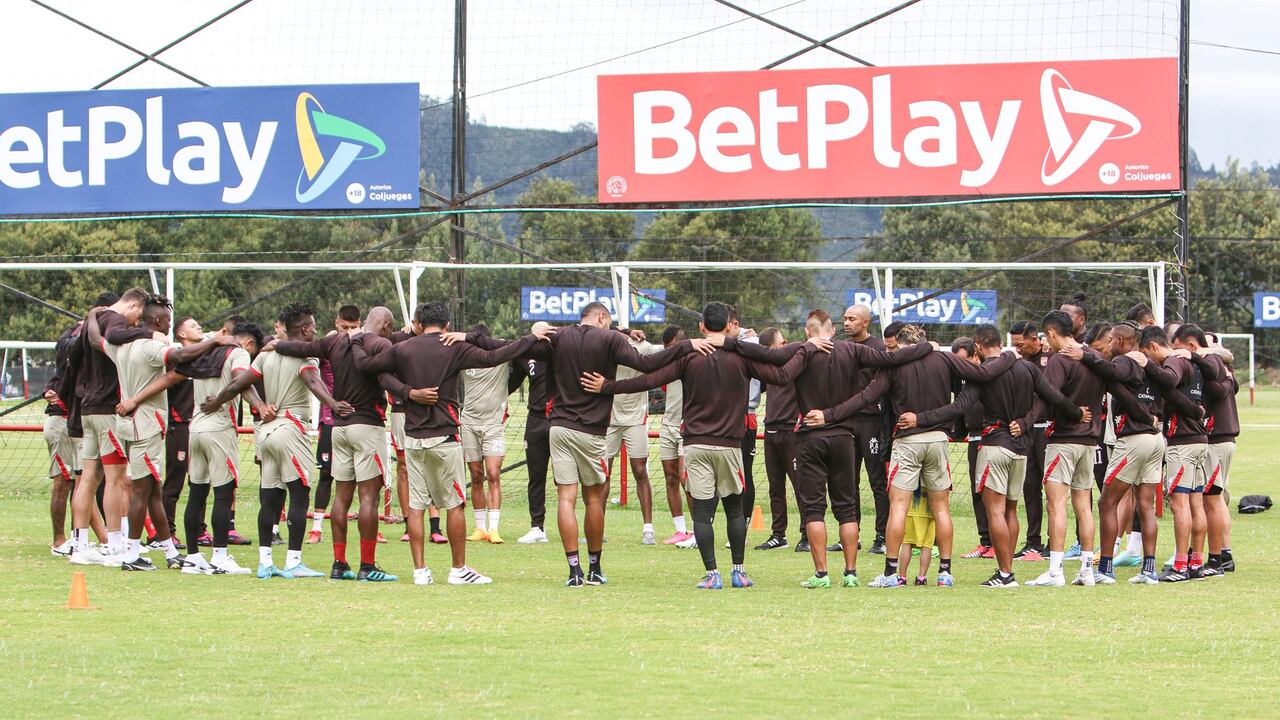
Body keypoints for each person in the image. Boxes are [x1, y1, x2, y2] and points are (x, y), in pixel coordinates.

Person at [580, 302, 809, 589]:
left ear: (701, 327)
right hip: (729, 447)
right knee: (734, 509)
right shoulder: (742, 358)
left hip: (695, 446)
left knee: (702, 513)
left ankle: (712, 574)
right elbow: (783, 374)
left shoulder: (690, 357)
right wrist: (809, 346)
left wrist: (608, 387)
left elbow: (649, 379)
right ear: (729, 326)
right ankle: (738, 570)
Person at [351, 301, 547, 585]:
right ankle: (458, 569)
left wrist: (358, 339)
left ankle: (420, 571)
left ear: (418, 324)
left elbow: (370, 368)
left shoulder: (403, 349)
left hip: (414, 438)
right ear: (446, 326)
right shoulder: (453, 346)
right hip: (444, 438)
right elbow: (496, 355)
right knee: (455, 504)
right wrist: (530, 339)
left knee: (416, 507)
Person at [815, 324, 1016, 589]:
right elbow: (981, 374)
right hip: (938, 440)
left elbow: (867, 396)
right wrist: (1010, 356)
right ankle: (945, 572)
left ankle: (891, 572)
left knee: (898, 507)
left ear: (900, 345)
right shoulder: (944, 359)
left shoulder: (895, 365)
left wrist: (829, 415)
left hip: (908, 441)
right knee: (942, 508)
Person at [527, 301, 709, 587]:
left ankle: (573, 571)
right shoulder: (610, 338)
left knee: (565, 498)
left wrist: (536, 330)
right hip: (591, 431)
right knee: (593, 499)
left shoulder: (558, 336)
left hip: (558, 427)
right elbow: (647, 364)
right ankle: (594, 567)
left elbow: (529, 345)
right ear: (602, 317)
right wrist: (687, 346)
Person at [757, 311, 936, 589]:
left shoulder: (801, 351)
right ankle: (851, 573)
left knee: (814, 509)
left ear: (808, 331)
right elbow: (892, 358)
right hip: (844, 437)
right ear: (833, 328)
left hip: (810, 438)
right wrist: (927, 346)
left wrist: (724, 342)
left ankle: (821, 574)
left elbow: (768, 358)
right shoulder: (852, 350)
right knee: (847, 508)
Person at [933, 325, 1087, 587]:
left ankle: (1005, 573)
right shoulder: (1026, 367)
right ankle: (1007, 570)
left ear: (979, 346)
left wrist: (924, 419)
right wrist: (1077, 413)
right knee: (1012, 510)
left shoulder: (982, 375)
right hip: (1020, 449)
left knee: (995, 511)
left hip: (994, 446)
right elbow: (1053, 396)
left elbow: (959, 406)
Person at [97, 294, 234, 571]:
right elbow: (181, 355)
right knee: (140, 490)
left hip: (130, 424)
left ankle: (170, 550)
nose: (169, 325)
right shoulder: (148, 348)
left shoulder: (119, 347)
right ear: (159, 321)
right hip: (146, 425)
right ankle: (132, 554)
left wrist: (92, 316)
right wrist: (215, 341)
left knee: (153, 490)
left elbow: (93, 339)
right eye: (168, 320)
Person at [274, 307, 398, 582]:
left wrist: (277, 344)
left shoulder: (334, 340)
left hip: (337, 428)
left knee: (341, 497)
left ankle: (339, 563)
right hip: (367, 427)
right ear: (386, 325)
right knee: (369, 497)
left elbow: (301, 348)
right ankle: (367, 566)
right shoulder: (380, 344)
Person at [233, 305, 352, 578]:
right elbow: (311, 380)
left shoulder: (267, 355)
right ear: (305, 329)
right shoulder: (307, 355)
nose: (316, 330)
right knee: (299, 495)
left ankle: (265, 563)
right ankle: (293, 562)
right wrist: (333, 403)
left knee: (270, 498)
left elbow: (241, 382)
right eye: (313, 325)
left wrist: (257, 404)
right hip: (291, 428)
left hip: (265, 430)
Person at [1063, 322, 1163, 584]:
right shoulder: (1149, 363)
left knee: (1107, 502)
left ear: (1119, 341)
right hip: (1156, 439)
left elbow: (1110, 371)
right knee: (1146, 505)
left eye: (1109, 343)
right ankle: (1149, 569)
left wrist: (1084, 355)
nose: (1106, 348)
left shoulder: (1126, 361)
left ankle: (1105, 568)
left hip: (1134, 440)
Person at [178, 323, 269, 575]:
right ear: (249, 343)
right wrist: (260, 405)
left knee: (196, 493)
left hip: (194, 427)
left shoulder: (205, 351)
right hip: (219, 428)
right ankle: (219, 556)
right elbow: (241, 381)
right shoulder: (237, 353)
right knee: (223, 493)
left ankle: (193, 557)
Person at [1027, 310, 1108, 588]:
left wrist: (1069, 412)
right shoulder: (1092, 358)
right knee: (1084, 506)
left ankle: (1055, 570)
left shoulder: (1059, 361)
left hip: (1062, 440)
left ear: (1050, 333)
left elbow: (1050, 395)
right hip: (1089, 442)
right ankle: (1086, 570)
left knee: (1056, 504)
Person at [66, 287, 147, 566]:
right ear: (134, 306)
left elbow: (75, 354)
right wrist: (147, 334)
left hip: (88, 408)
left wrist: (90, 315)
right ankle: (114, 546)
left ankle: (79, 544)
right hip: (107, 410)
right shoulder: (115, 320)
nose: (137, 324)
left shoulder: (94, 321)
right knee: (115, 478)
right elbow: (114, 336)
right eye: (139, 318)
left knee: (88, 477)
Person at [1142, 325, 1217, 582]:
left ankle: (1180, 565)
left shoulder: (1173, 360)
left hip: (1182, 443)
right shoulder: (1192, 363)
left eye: (1147, 354)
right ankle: (1196, 562)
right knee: (1196, 504)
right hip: (1199, 441)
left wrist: (1147, 366)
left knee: (1180, 504)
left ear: (1153, 347)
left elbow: (1169, 381)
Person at [455, 323, 517, 544]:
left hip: (493, 424)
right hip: (469, 422)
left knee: (493, 472)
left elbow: (518, 345)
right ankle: (480, 527)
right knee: (475, 474)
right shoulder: (463, 357)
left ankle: (494, 528)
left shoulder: (500, 356)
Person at [603, 329, 663, 545]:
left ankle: (648, 528)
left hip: (636, 419)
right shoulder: (606, 348)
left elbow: (671, 347)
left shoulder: (644, 349)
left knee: (640, 470)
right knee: (602, 473)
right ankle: (597, 526)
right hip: (609, 419)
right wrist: (624, 330)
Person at [306, 306, 360, 543]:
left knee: (363, 475)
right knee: (327, 473)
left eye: (354, 327)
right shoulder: (326, 345)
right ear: (336, 323)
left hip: (358, 418)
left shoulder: (364, 343)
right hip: (330, 418)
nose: (348, 331)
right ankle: (316, 528)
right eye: (344, 327)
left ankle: (371, 527)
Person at [841, 304, 892, 555]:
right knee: (847, 481)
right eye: (845, 318)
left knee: (877, 481)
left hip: (872, 422)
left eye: (852, 319)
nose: (847, 323)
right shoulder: (842, 348)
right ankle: (851, 535)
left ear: (866, 322)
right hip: (847, 422)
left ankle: (882, 536)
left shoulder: (879, 349)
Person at [1008, 319, 1052, 561]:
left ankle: (1054, 542)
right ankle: (1032, 542)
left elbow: (1046, 397)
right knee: (1029, 486)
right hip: (1027, 430)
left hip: (1047, 429)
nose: (1018, 349)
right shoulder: (1019, 362)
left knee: (1053, 487)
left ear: (1036, 340)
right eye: (1015, 345)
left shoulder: (1052, 357)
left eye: (1021, 344)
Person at [755, 327, 801, 551]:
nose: (786, 346)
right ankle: (778, 534)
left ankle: (807, 534)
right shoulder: (766, 367)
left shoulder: (797, 364)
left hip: (792, 431)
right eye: (781, 344)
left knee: (801, 485)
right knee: (775, 486)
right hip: (771, 430)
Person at [159, 316, 200, 550]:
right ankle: (167, 533)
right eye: (192, 325)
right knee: (174, 481)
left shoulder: (205, 358)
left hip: (200, 427)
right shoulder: (175, 361)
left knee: (201, 480)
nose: (198, 327)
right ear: (181, 335)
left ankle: (200, 531)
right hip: (180, 426)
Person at [1201, 331, 1239, 574]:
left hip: (1215, 438)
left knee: (1214, 499)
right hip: (1227, 438)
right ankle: (1225, 552)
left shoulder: (1214, 368)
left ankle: (1222, 553)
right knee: (1220, 495)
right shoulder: (1226, 370)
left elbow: (1218, 392)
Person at [511, 327, 554, 544]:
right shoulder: (525, 356)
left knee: (570, 477)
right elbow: (512, 382)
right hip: (535, 420)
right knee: (536, 476)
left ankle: (581, 526)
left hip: (560, 419)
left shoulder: (563, 351)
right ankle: (537, 527)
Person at [655, 326, 695, 546]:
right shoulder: (665, 362)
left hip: (686, 425)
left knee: (685, 479)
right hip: (668, 424)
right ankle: (681, 530)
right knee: (670, 477)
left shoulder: (695, 359)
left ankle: (699, 531)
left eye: (671, 348)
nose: (667, 351)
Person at [899, 491, 935, 586]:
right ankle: (921, 578)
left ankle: (902, 577)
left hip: (911, 509)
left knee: (907, 543)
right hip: (930, 511)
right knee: (927, 546)